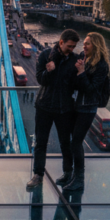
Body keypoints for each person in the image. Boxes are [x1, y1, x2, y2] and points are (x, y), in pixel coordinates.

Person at [27, 29, 81, 190]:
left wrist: (80, 72)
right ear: (61, 42)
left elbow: (76, 86)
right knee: (40, 142)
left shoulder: (75, 60)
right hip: (44, 106)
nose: (72, 50)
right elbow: (40, 79)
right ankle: (38, 175)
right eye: (69, 46)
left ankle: (67, 173)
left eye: (74, 47)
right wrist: (49, 70)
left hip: (64, 108)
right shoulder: (45, 55)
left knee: (66, 143)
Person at [65, 33, 110, 192]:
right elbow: (75, 83)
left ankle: (79, 179)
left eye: (87, 44)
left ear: (96, 46)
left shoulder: (102, 66)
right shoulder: (83, 58)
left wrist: (82, 72)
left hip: (88, 108)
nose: (83, 46)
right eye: (84, 43)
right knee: (73, 142)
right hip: (76, 105)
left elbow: (91, 90)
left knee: (76, 143)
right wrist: (76, 70)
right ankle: (72, 176)